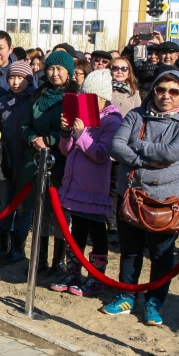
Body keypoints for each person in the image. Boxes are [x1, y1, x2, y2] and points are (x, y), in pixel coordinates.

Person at [103, 69, 179, 326]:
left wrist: (139, 147)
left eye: (173, 91)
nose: (165, 96)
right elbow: (116, 146)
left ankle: (155, 301)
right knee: (130, 251)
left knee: (161, 255)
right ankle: (126, 295)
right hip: (131, 194)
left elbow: (173, 153)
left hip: (167, 200)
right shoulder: (136, 115)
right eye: (160, 90)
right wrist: (145, 161)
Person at [50, 70, 123, 296]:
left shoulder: (112, 120)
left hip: (94, 188)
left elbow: (101, 154)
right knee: (77, 231)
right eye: (84, 96)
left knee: (97, 232)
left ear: (102, 97)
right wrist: (65, 131)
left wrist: (81, 133)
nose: (85, 101)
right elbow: (66, 150)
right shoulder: (82, 117)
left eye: (90, 97)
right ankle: (73, 273)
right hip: (74, 184)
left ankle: (96, 278)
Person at [20, 50, 77, 273]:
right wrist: (33, 138)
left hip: (62, 160)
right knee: (41, 212)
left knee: (60, 213)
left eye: (60, 69)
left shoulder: (73, 97)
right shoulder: (39, 95)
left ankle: (58, 262)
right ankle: (39, 260)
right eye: (51, 68)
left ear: (69, 72)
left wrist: (51, 139)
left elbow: (74, 128)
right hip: (37, 159)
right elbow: (25, 125)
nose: (55, 74)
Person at [0, 60, 36, 263]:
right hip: (7, 161)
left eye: (20, 78)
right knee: (5, 205)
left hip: (27, 161)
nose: (16, 82)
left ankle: (18, 248)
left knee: (24, 207)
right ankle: (2, 246)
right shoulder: (2, 102)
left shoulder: (35, 101)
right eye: (12, 77)